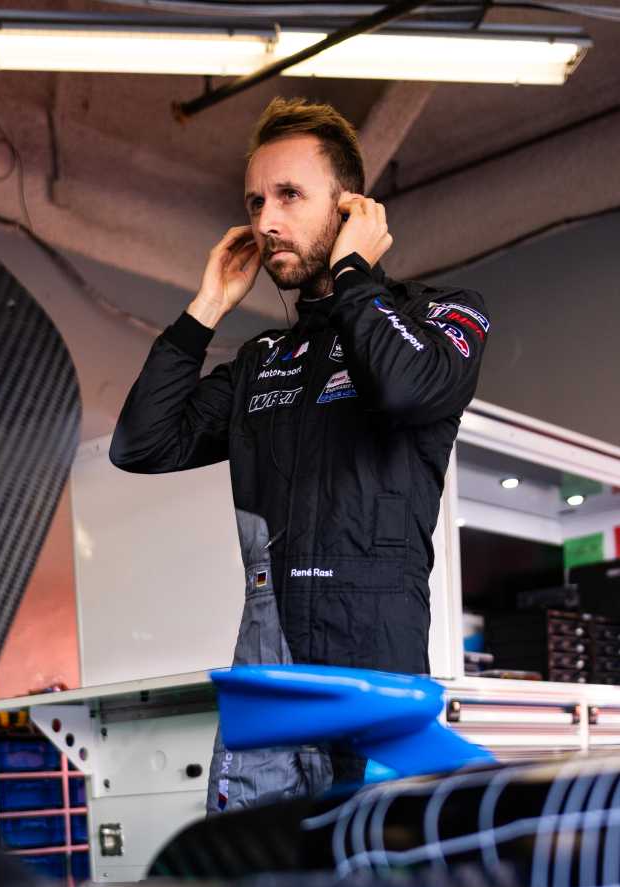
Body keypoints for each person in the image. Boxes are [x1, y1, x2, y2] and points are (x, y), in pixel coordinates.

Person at [110, 97, 490, 814]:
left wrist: (353, 274)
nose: (266, 221)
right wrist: (206, 308)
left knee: (376, 869)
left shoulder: (442, 315)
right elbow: (142, 445)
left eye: (289, 195)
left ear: (351, 210)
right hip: (270, 670)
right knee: (252, 873)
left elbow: (405, 391)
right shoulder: (262, 361)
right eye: (256, 202)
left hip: (374, 668)